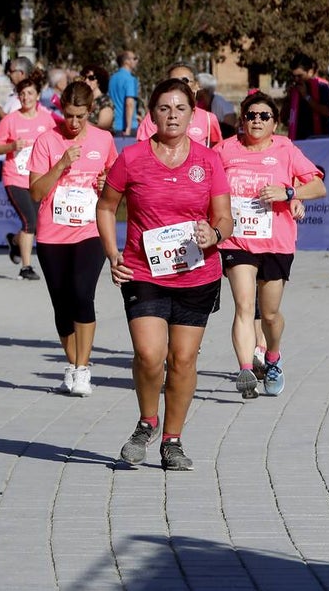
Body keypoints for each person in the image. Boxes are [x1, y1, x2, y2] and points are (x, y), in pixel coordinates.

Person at [97, 78, 232, 471]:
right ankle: (146, 421)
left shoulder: (208, 161)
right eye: (164, 108)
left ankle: (172, 440)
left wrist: (216, 232)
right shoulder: (132, 158)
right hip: (144, 270)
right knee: (150, 355)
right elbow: (106, 207)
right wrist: (111, 253)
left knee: (184, 359)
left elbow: (225, 217)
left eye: (180, 109)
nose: (172, 116)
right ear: (151, 113)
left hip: (198, 273)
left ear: (194, 114)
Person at [215, 93, 325, 398]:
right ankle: (246, 370)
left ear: (275, 122)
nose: (257, 121)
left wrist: (291, 193)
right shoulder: (225, 150)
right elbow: (205, 185)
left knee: (271, 313)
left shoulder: (285, 149)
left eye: (264, 116)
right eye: (251, 115)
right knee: (244, 306)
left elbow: (319, 186)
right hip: (237, 241)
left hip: (276, 242)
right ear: (242, 119)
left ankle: (273, 357)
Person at [28, 81, 118, 397]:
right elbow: (36, 192)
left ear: (90, 111)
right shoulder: (47, 140)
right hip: (53, 234)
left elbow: (117, 188)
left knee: (83, 294)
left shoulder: (104, 140)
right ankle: (72, 363)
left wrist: (108, 183)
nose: (74, 122)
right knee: (62, 305)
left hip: (89, 231)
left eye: (80, 116)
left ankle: (83, 369)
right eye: (68, 115)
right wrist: (62, 163)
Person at [0, 78, 56, 280]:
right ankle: (26, 267)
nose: (25, 97)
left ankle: (15, 241)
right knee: (30, 221)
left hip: (37, 179)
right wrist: (12, 146)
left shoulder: (47, 119)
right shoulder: (10, 120)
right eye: (22, 94)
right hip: (15, 178)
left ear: (37, 95)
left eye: (29, 93)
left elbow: (56, 141)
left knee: (36, 223)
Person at [136, 63, 223, 147]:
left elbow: (216, 149)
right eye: (174, 81)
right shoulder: (154, 117)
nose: (180, 85)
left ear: (196, 85)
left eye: (185, 80)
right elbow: (142, 149)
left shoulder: (208, 118)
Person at [280, 52, 329, 140]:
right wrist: (289, 99)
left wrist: (306, 96)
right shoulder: (294, 90)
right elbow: (283, 118)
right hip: (299, 139)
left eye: (300, 76)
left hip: (320, 138)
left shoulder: (323, 88)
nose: (296, 79)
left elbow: (328, 112)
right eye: (294, 76)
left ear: (310, 72)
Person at [196, 72, 237, 139]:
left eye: (196, 86)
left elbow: (231, 123)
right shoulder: (201, 103)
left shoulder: (219, 102)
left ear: (202, 89)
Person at [109, 50, 141, 136]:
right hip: (127, 128)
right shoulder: (130, 79)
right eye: (134, 58)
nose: (136, 61)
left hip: (113, 126)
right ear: (126, 61)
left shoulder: (112, 78)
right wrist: (128, 128)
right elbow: (129, 104)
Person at [80, 64, 115, 131]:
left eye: (91, 78)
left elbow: (104, 127)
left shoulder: (105, 101)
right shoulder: (83, 99)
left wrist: (83, 124)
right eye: (84, 77)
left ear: (99, 80)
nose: (86, 80)